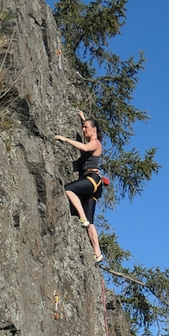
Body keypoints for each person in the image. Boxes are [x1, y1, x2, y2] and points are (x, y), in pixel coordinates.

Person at [54, 109, 105, 263]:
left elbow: (83, 148)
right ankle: (98, 253)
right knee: (91, 223)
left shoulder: (96, 143)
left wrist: (65, 139)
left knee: (68, 189)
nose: (83, 130)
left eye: (86, 128)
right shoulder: (92, 141)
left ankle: (81, 218)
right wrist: (83, 119)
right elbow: (85, 144)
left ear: (94, 130)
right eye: (82, 127)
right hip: (95, 184)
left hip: (93, 179)